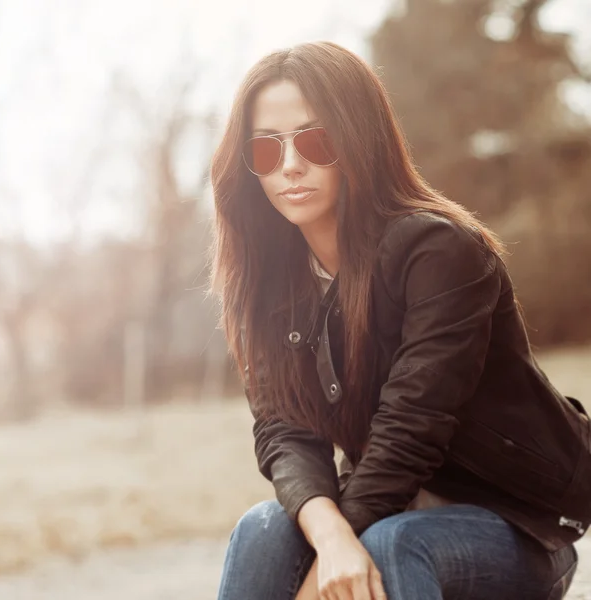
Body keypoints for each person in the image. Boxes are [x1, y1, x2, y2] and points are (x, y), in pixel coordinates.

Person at [208, 41, 590, 600]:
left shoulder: (437, 250)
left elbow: (413, 424)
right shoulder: (269, 284)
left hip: (516, 524)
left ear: (359, 139)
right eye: (266, 151)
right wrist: (330, 534)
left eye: (316, 141)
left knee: (391, 545)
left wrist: (320, 579)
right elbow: (284, 431)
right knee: (261, 530)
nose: (290, 165)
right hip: (390, 508)